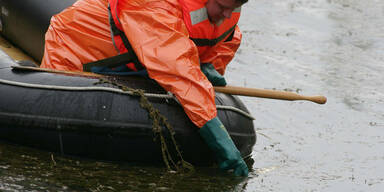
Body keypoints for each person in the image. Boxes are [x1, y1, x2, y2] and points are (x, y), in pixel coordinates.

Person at [41, 0, 249, 176]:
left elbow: (227, 39)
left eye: (236, 6)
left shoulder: (226, 9)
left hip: (136, 66)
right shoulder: (154, 6)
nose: (228, 13)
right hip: (78, 53)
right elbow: (177, 69)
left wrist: (207, 66)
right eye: (222, 5)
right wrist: (218, 136)